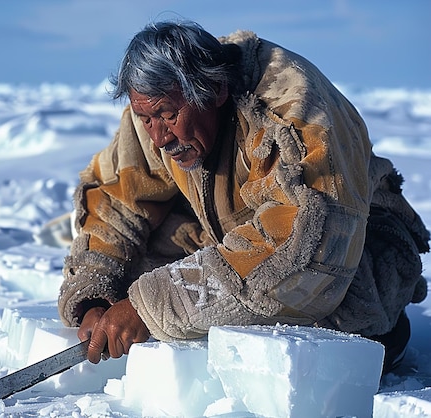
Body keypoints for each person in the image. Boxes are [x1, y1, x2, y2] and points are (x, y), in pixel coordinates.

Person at [56, 20, 429, 373]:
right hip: (240, 234)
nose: (159, 137)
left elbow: (303, 247)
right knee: (137, 258)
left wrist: (147, 306)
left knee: (331, 315)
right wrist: (96, 297)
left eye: (168, 117)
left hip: (351, 249)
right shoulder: (156, 104)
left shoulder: (291, 113)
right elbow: (115, 202)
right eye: (147, 119)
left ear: (216, 91)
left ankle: (379, 339)